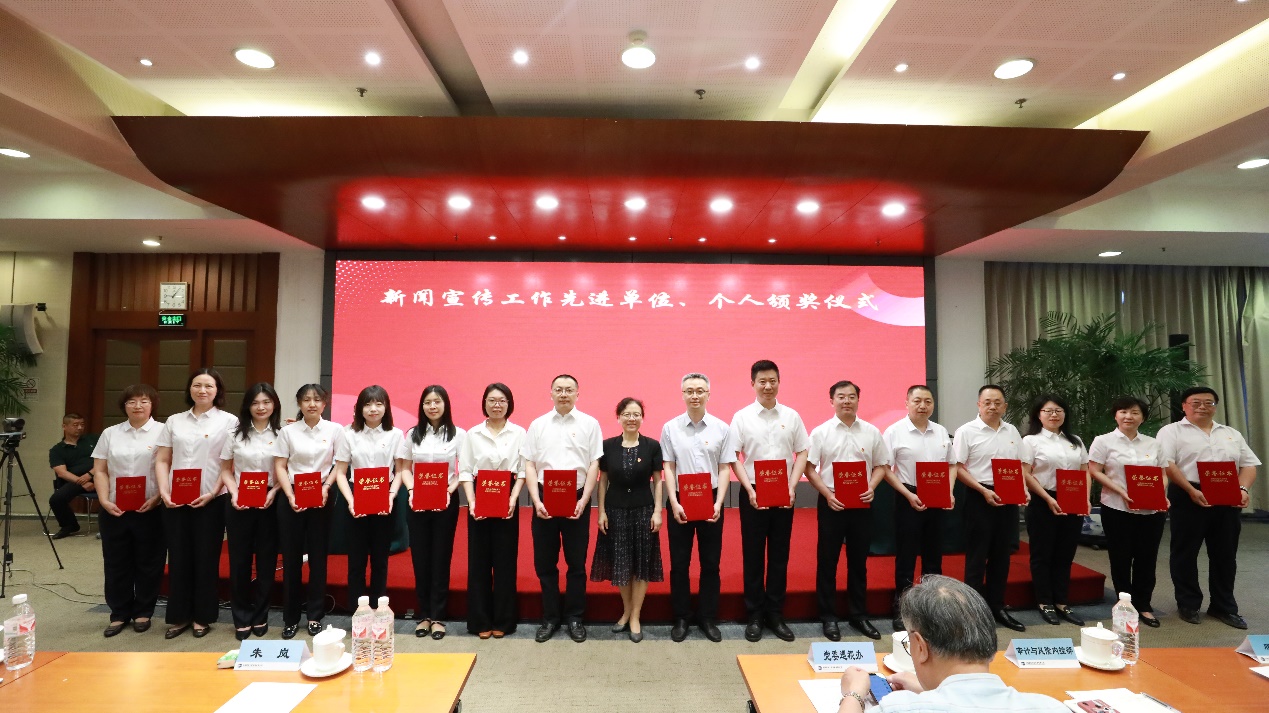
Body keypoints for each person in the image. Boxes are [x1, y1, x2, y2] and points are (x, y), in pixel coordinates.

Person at [837, 575, 1067, 713]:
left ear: (921, 647)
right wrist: (932, 690)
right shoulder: (1052, 707)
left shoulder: (899, 707)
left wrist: (853, 695)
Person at [1158, 386, 1260, 629]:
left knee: (1225, 554)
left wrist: (1243, 489)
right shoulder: (1171, 431)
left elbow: (1248, 464)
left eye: (1209, 402)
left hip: (1227, 496)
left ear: (1215, 407)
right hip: (1188, 493)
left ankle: (1223, 606)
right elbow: (1167, 464)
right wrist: (1191, 490)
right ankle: (1188, 603)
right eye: (1196, 402)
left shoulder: (1231, 433)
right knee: (1185, 552)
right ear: (1184, 406)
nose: (1202, 407)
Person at [730, 359, 810, 643]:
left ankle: (775, 613)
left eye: (772, 381)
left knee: (779, 554)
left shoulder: (792, 415)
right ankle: (754, 614)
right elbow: (733, 456)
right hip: (753, 490)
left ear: (779, 382)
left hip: (784, 491)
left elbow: (802, 451)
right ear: (752, 383)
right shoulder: (741, 417)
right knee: (752, 554)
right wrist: (748, 489)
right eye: (762, 381)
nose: (767, 386)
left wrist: (792, 486)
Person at [154, 368, 237, 639]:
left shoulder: (229, 421)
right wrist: (164, 492)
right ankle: (179, 616)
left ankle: (203, 616)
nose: (202, 390)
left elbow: (229, 464)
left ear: (218, 391)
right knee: (178, 558)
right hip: (175, 500)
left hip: (211, 499)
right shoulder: (174, 421)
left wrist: (213, 492)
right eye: (197, 385)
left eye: (208, 386)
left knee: (206, 558)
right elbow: (163, 459)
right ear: (189, 389)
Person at [805, 380, 889, 641]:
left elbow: (881, 465)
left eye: (851, 396)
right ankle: (828, 617)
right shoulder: (820, 432)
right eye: (841, 397)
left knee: (858, 561)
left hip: (862, 502)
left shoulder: (871, 432)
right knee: (827, 561)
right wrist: (827, 494)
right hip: (832, 501)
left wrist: (872, 487)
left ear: (858, 400)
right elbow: (809, 468)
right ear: (832, 401)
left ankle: (858, 614)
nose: (846, 401)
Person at [523, 374, 603, 643]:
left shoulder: (590, 424)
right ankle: (550, 618)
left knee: (576, 563)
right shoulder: (538, 425)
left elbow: (594, 463)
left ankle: (575, 617)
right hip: (544, 496)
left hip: (577, 497)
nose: (564, 394)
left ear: (578, 393)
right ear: (551, 393)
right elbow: (530, 464)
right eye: (559, 389)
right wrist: (536, 500)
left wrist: (585, 500)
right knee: (545, 563)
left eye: (569, 390)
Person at [661, 372, 737, 643]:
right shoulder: (670, 428)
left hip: (711, 498)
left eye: (700, 391)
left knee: (711, 563)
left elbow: (725, 468)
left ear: (708, 394)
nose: (695, 395)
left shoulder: (722, 428)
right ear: (682, 394)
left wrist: (719, 503)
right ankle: (681, 617)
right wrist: (673, 502)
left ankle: (707, 617)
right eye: (690, 391)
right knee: (679, 563)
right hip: (680, 498)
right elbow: (669, 467)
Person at [952, 384, 1033, 632]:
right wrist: (983, 490)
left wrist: (1023, 488)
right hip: (979, 496)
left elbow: (1021, 464)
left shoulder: (1012, 431)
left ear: (1005, 406)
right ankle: (972, 612)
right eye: (987, 402)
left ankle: (997, 606)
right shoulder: (966, 431)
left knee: (1001, 556)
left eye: (997, 402)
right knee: (977, 557)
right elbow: (958, 467)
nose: (992, 407)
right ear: (979, 405)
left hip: (1008, 497)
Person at [90, 385, 165, 637]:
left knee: (149, 562)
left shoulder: (163, 432)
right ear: (124, 406)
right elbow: (100, 470)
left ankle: (143, 611)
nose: (138, 406)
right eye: (131, 401)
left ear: (152, 405)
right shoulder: (110, 433)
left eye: (144, 401)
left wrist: (157, 497)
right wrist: (103, 500)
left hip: (150, 508)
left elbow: (169, 467)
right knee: (116, 562)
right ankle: (119, 613)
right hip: (115, 509)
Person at [1087, 396, 1167, 628]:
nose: (1128, 416)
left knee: (1147, 558)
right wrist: (1121, 491)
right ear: (1115, 415)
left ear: (1143, 418)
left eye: (1134, 412)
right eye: (1123, 412)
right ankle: (1125, 606)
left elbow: (1162, 474)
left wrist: (1159, 494)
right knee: (1120, 558)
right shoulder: (1103, 441)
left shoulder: (1153, 444)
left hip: (1151, 511)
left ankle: (1144, 605)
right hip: (1116, 507)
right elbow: (1095, 470)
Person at [590, 397, 664, 643]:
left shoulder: (652, 446)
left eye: (636, 414)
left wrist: (657, 511)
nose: (632, 419)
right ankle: (626, 610)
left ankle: (635, 616)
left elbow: (658, 481)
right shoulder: (607, 446)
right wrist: (601, 511)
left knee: (641, 564)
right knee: (622, 564)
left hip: (644, 511)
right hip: (616, 511)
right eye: (627, 414)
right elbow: (603, 481)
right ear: (619, 417)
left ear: (642, 418)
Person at [273, 383, 343, 639]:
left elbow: (339, 464)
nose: (311, 404)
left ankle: (315, 615)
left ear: (324, 403)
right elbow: (280, 465)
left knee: (318, 557)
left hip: (322, 494)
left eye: (316, 399)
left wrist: (326, 487)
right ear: (299, 403)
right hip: (292, 494)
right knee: (291, 558)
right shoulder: (288, 432)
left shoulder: (335, 430)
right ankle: (290, 618)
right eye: (306, 399)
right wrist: (289, 494)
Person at [882, 385, 955, 632]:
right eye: (917, 401)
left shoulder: (941, 431)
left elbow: (952, 464)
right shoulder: (895, 431)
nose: (923, 405)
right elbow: (885, 468)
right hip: (908, 496)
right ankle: (902, 609)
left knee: (934, 556)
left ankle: (932, 609)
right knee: (906, 556)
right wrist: (907, 494)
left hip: (937, 497)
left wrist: (949, 491)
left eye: (928, 401)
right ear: (907, 403)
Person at [397, 385, 466, 640]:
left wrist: (449, 490)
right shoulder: (413, 434)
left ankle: (438, 616)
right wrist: (412, 489)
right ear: (422, 406)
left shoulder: (459, 434)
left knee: (441, 556)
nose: (433, 406)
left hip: (446, 500)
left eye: (437, 401)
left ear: (445, 404)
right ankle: (424, 615)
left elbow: (463, 469)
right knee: (420, 558)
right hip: (417, 500)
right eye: (428, 402)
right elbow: (404, 468)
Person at [460, 383, 526, 639]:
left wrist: (513, 498)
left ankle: (504, 620)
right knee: (478, 561)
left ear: (509, 404)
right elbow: (466, 470)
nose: (497, 405)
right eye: (492, 400)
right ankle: (480, 620)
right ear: (484, 403)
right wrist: (472, 501)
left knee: (505, 560)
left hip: (507, 494)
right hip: (480, 495)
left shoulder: (519, 433)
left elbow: (522, 470)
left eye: (502, 401)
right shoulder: (472, 434)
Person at [219, 383, 283, 640]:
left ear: (274, 405)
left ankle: (261, 615)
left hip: (270, 500)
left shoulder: (283, 434)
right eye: (255, 402)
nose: (261, 407)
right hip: (239, 500)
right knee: (239, 560)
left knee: (267, 561)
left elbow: (285, 471)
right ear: (247, 405)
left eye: (266, 402)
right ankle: (241, 616)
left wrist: (273, 491)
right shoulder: (234, 435)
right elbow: (225, 470)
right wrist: (234, 493)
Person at [333, 385, 404, 611]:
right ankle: (358, 611)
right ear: (359, 409)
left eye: (378, 404)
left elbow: (400, 471)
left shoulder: (396, 434)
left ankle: (379, 609)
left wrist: (391, 495)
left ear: (386, 407)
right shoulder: (349, 435)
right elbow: (340, 473)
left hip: (385, 498)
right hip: (356, 498)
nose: (373, 409)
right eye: (368, 404)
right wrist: (351, 500)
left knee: (380, 560)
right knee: (356, 560)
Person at [1021, 395, 1088, 626]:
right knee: (1042, 554)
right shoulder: (1030, 441)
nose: (1054, 415)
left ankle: (1061, 601)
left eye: (1059, 410)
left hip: (1072, 499)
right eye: (1048, 411)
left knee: (1065, 553)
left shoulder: (1075, 441)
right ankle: (1044, 601)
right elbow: (1025, 473)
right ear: (1038, 415)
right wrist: (1048, 498)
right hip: (1042, 500)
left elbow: (1084, 471)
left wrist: (1085, 498)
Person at [48, 413, 98, 539]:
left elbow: (106, 460)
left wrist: (89, 475)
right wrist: (83, 482)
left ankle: (107, 527)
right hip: (75, 481)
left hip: (99, 475)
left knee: (114, 492)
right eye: (75, 425)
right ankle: (69, 526)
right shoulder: (57, 450)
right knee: (56, 499)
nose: (80, 428)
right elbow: (62, 472)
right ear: (64, 426)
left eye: (82, 424)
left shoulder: (93, 440)